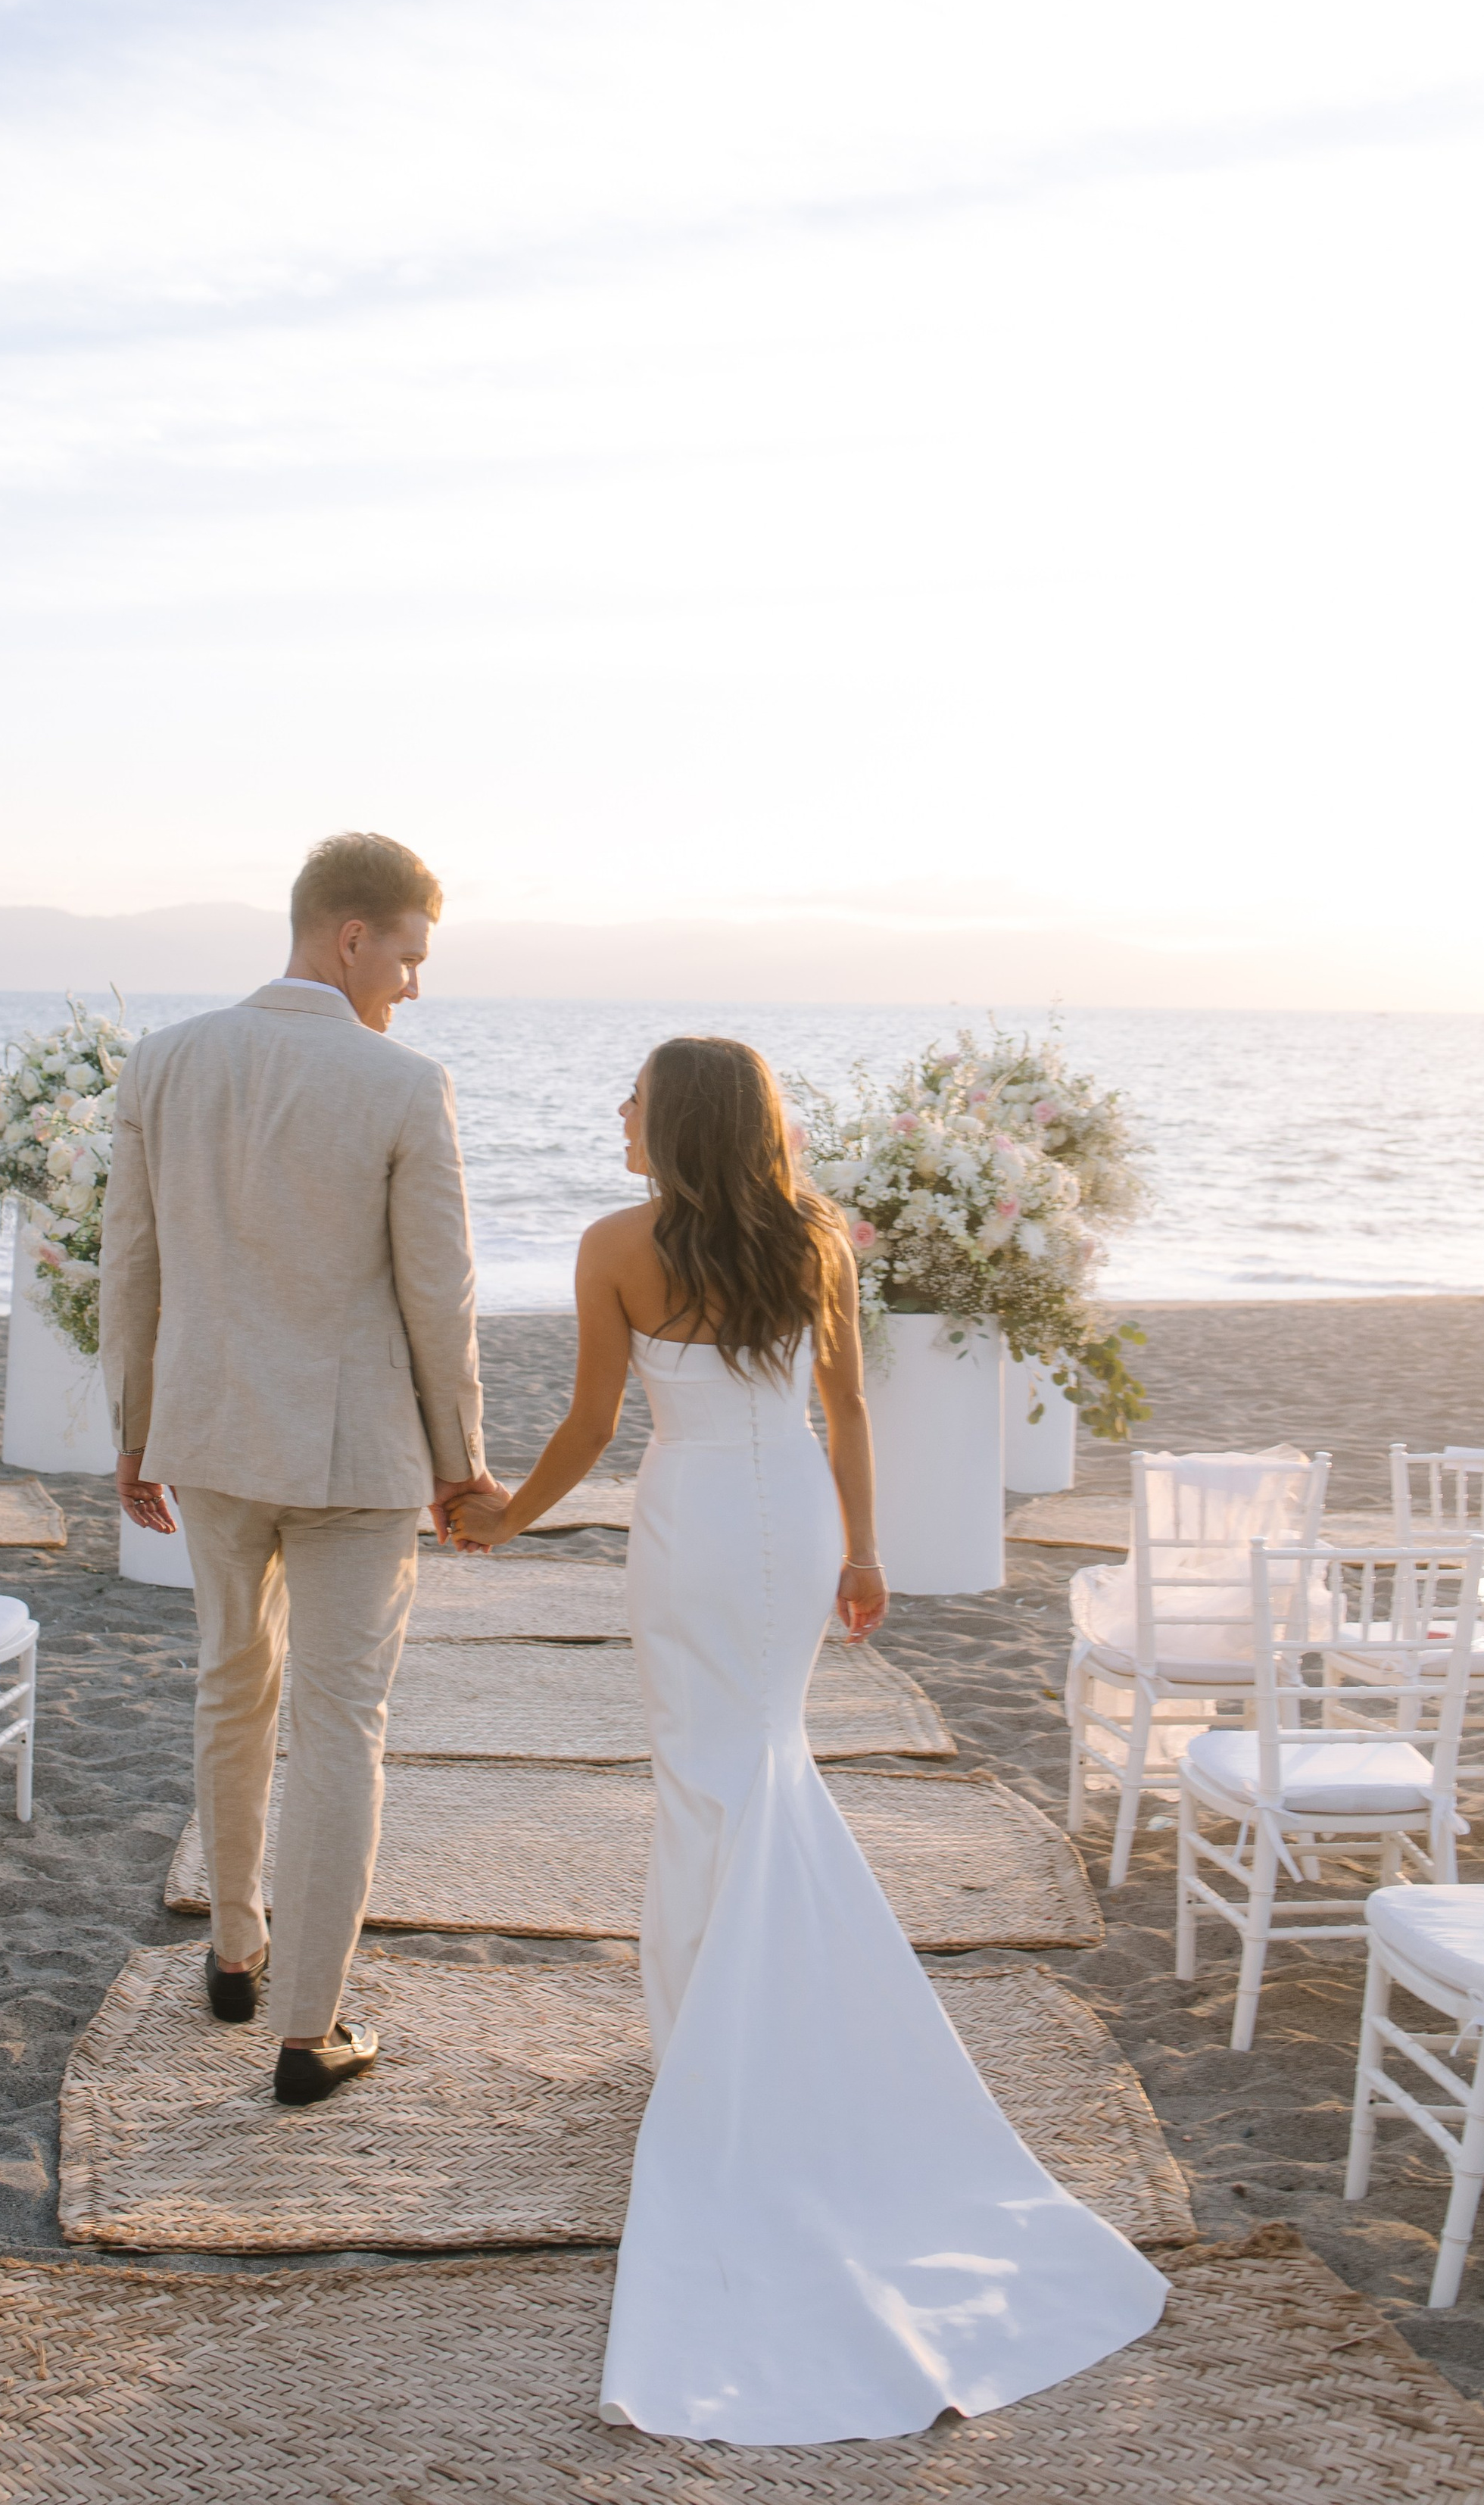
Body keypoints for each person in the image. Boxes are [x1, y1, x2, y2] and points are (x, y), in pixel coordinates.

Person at [449, 1036, 1168, 2442]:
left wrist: (497, 1515)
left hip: (695, 1523)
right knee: (758, 1764)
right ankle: (729, 2016)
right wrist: (867, 1551)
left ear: (676, 1121)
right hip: (796, 1522)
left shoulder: (614, 1245)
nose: (617, 1109)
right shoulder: (818, 1239)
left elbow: (595, 1424)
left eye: (634, 1097)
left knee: (705, 1777)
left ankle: (712, 2034)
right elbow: (845, 1408)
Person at [100, 831, 504, 2107]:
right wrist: (463, 1461)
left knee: (232, 1686)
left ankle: (232, 1949)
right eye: (409, 954)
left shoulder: (164, 1066)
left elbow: (132, 1267)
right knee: (343, 1725)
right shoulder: (401, 1084)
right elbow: (441, 1297)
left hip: (211, 1438)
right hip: (355, 1457)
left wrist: (134, 1426)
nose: (415, 985)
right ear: (352, 937)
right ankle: (308, 2030)